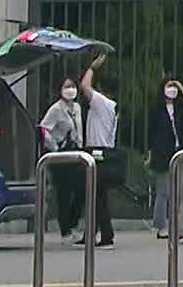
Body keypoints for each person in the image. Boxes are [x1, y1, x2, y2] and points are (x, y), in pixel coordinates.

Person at [146, 74, 183, 239]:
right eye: (169, 86)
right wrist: (149, 154)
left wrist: (182, 89)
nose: (172, 90)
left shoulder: (180, 108)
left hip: (180, 151)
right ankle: (161, 226)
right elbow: (151, 133)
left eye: (174, 87)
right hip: (162, 154)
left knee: (180, 191)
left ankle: (178, 225)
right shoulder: (156, 109)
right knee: (163, 191)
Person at [78, 51, 120, 247]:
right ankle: (96, 233)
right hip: (104, 152)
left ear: (102, 88)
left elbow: (84, 86)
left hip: (97, 152)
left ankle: (104, 235)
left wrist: (93, 68)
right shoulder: (111, 106)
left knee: (96, 196)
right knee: (97, 196)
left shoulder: (102, 103)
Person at [38, 74, 86, 241]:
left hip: (76, 152)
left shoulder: (78, 108)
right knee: (63, 194)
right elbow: (44, 129)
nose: (70, 90)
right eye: (66, 86)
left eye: (72, 86)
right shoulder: (56, 109)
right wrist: (55, 146)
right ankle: (65, 230)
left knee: (82, 191)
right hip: (61, 154)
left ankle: (73, 223)